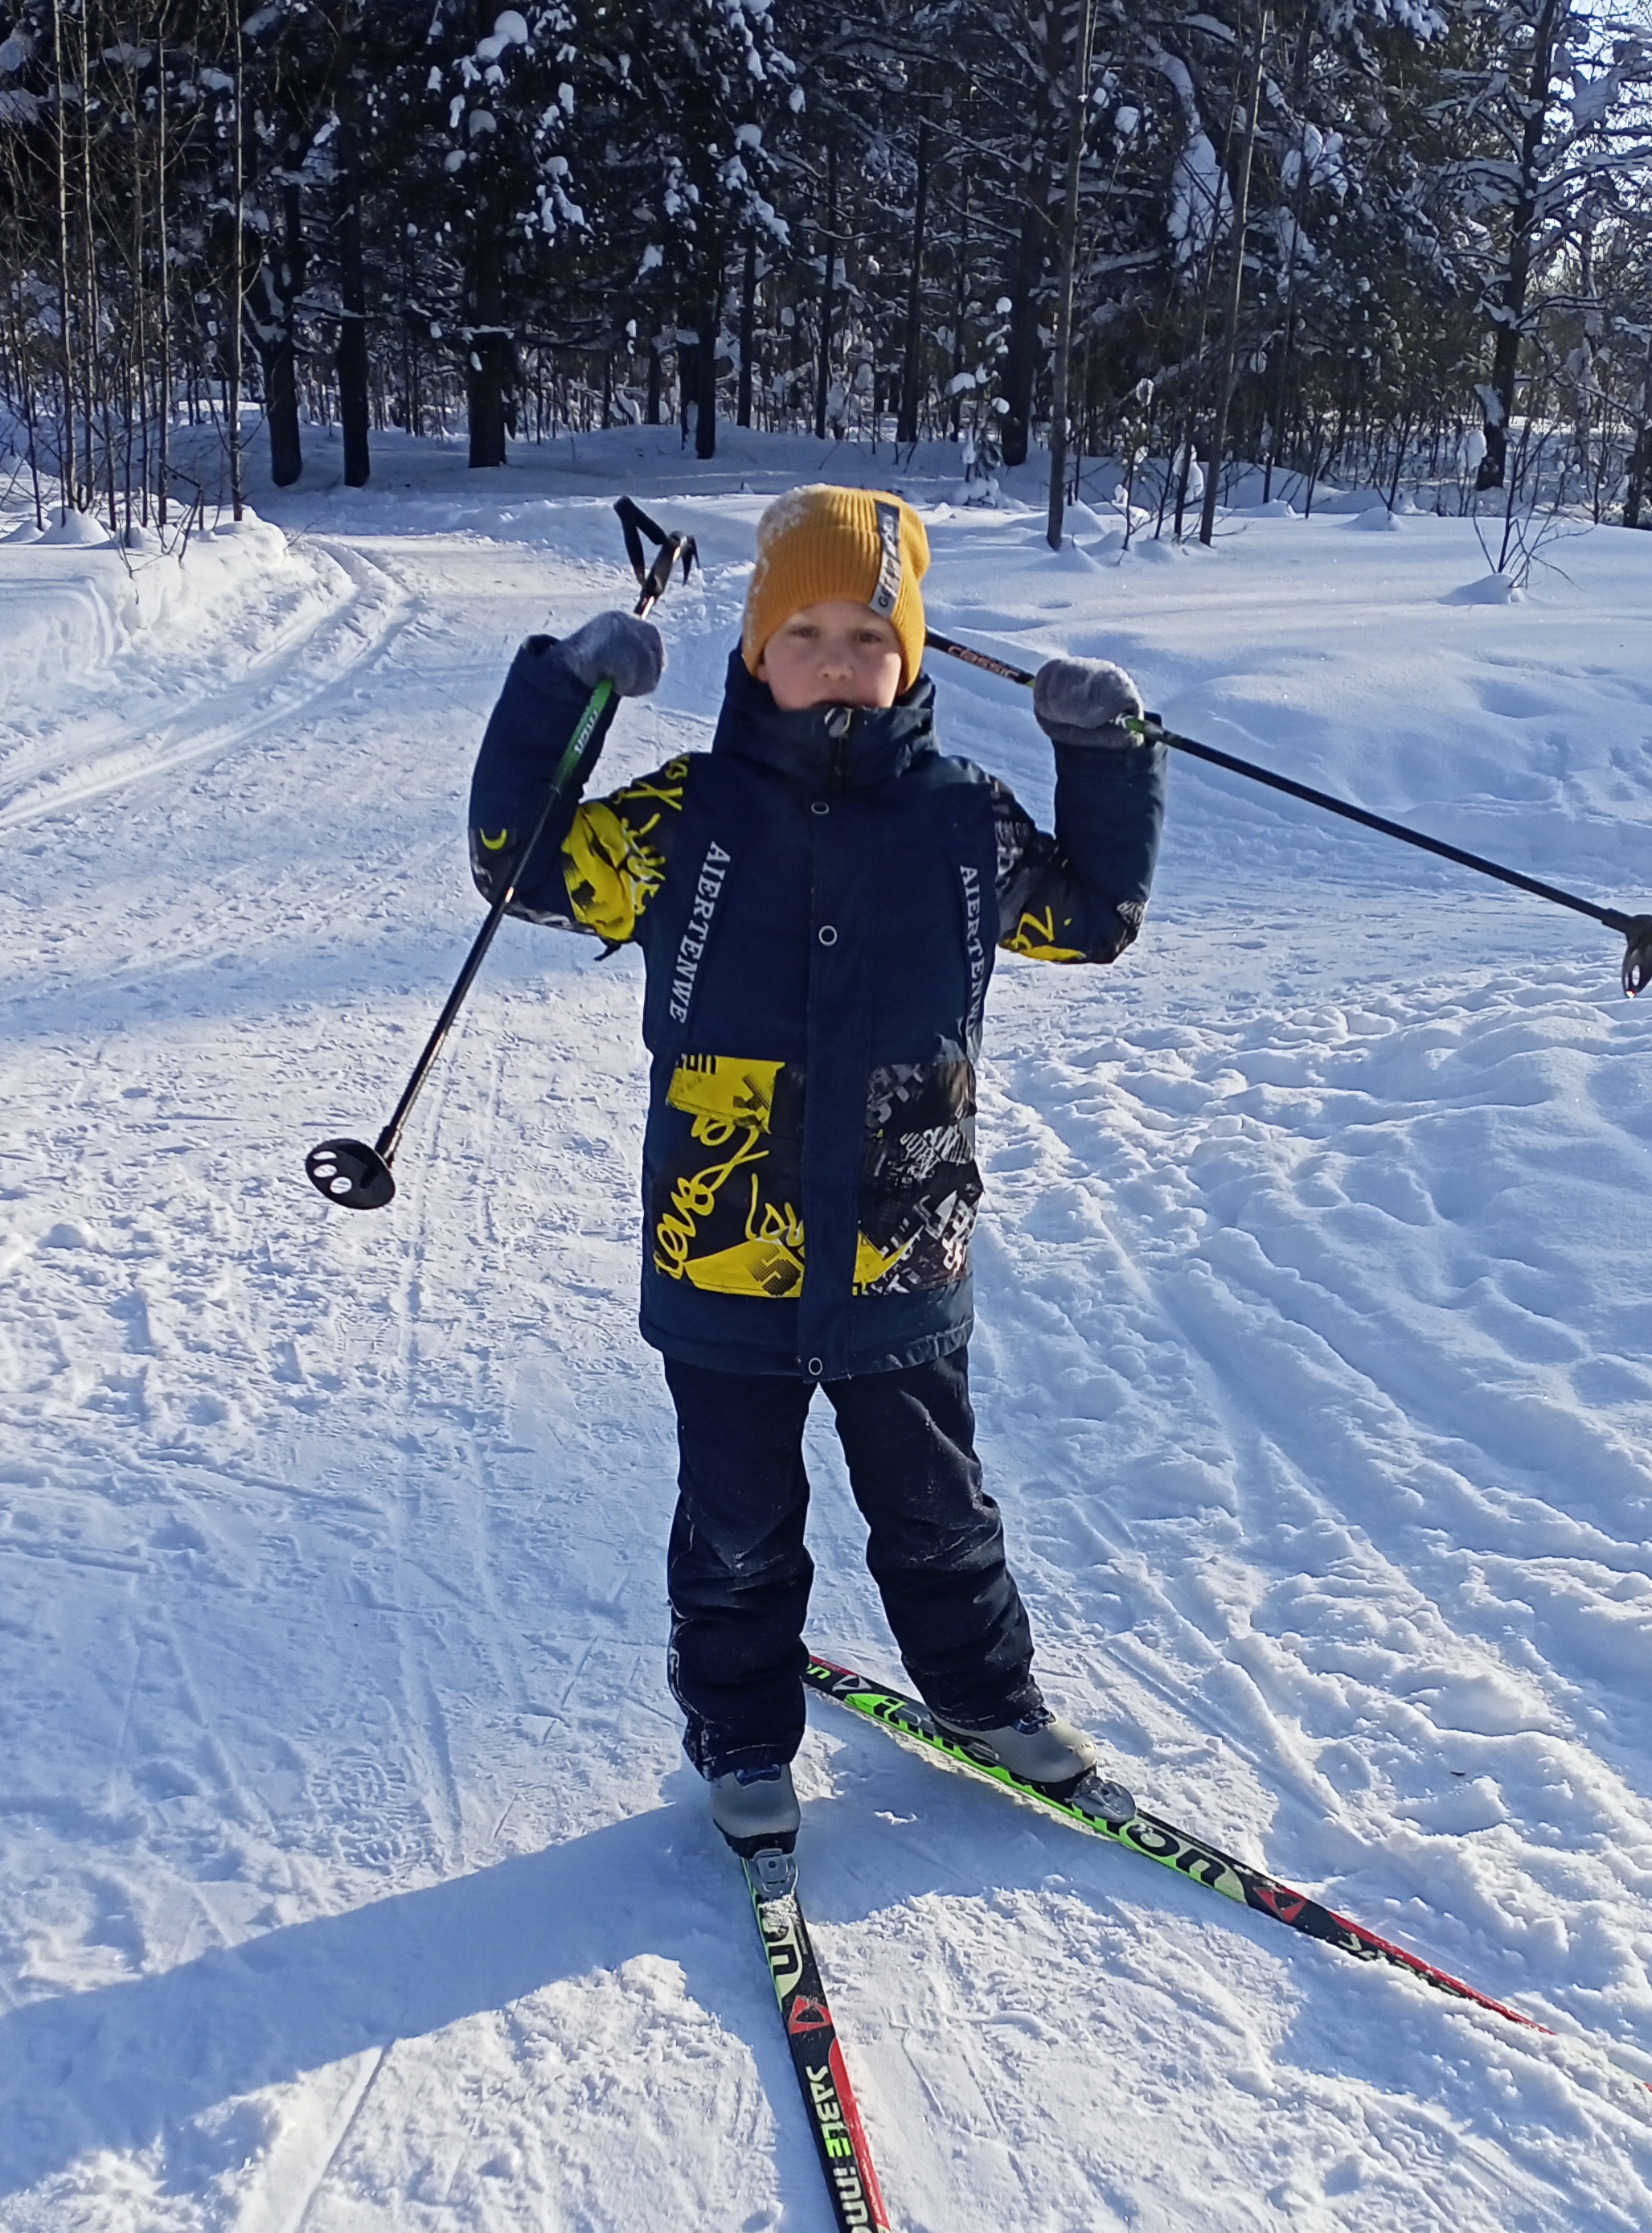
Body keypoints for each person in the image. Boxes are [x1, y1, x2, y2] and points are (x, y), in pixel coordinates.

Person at [468, 486, 1165, 1851]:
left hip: (904, 1243)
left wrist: (1107, 752)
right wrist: (564, 695)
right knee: (736, 1518)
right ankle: (741, 1736)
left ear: (911, 654)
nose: (838, 662)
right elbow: (523, 865)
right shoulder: (684, 820)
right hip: (722, 1242)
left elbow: (1094, 919)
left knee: (938, 1504)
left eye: (868, 636)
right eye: (806, 634)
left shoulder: (967, 824)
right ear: (754, 649)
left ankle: (985, 1697)